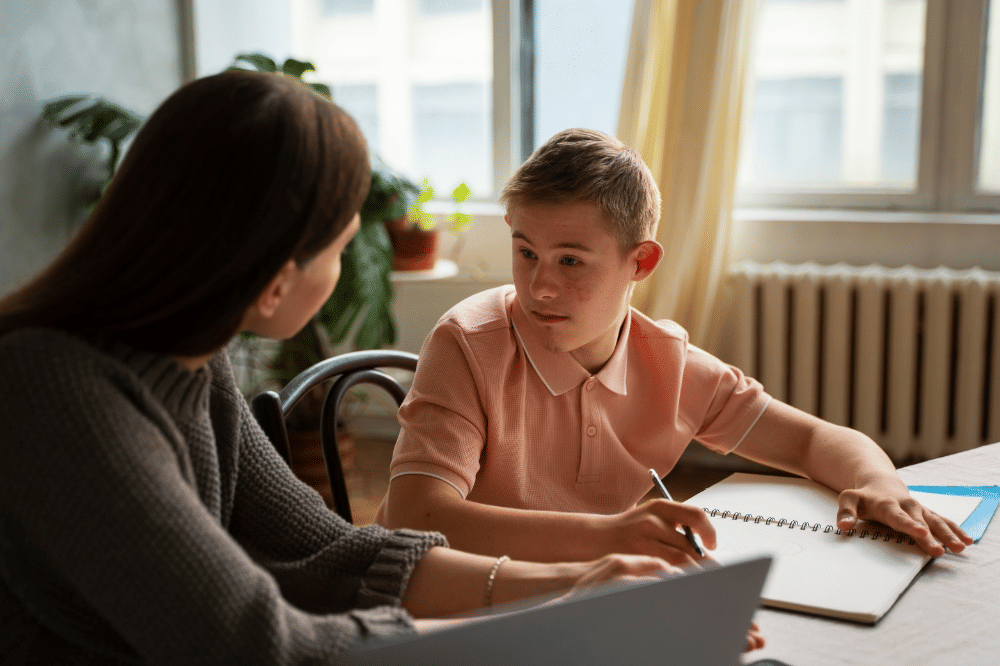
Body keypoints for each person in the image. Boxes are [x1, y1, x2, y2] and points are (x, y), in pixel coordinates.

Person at [0, 73, 691, 664]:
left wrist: (577, 587)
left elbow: (329, 552)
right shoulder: (52, 392)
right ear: (276, 284)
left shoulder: (190, 364)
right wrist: (538, 622)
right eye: (342, 248)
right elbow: (260, 644)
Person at [378, 127, 974, 568]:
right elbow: (415, 516)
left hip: (585, 595)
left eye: (571, 261)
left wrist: (879, 481)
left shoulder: (665, 362)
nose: (540, 286)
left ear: (641, 262)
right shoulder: (467, 344)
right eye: (526, 252)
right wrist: (609, 537)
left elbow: (812, 439)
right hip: (449, 607)